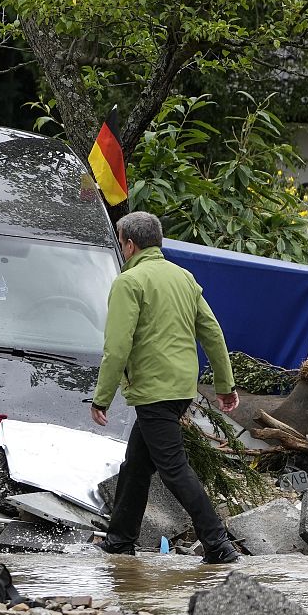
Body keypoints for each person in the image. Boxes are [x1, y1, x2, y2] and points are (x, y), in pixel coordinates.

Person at [91, 211, 241, 564]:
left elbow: (117, 346)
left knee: (173, 468)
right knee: (136, 466)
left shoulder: (130, 282)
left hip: (153, 390)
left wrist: (102, 397)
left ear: (129, 244)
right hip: (180, 389)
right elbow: (212, 332)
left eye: (121, 242)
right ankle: (119, 541)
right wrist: (225, 385)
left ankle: (218, 544)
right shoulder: (184, 278)